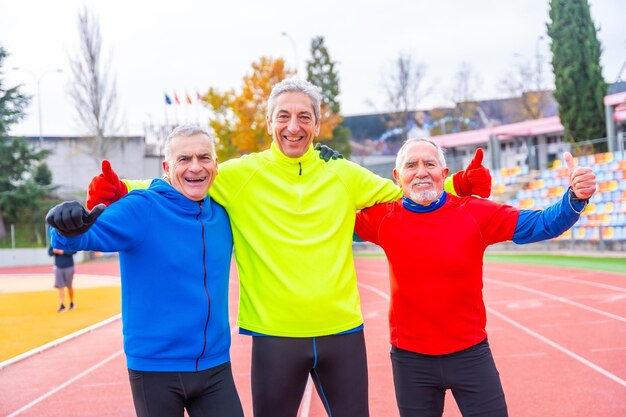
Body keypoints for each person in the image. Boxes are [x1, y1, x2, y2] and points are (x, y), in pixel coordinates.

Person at [85, 77, 492, 417]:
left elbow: (407, 194)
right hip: (274, 336)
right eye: (283, 116)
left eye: (304, 117)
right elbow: (185, 179)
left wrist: (458, 186)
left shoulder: (343, 174)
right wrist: (122, 189)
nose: (293, 126)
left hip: (341, 332)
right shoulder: (240, 174)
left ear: (317, 125)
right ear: (268, 123)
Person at [354, 137, 596, 417]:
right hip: (411, 361)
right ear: (397, 177)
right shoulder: (383, 218)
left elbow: (541, 224)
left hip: (470, 354)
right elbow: (329, 224)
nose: (421, 172)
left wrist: (575, 198)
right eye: (411, 165)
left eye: (430, 164)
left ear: (444, 174)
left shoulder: (474, 213)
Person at [46, 125, 244, 417]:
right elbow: (85, 234)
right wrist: (64, 226)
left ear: (215, 165)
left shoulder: (224, 213)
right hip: (156, 369)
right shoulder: (142, 208)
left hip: (215, 366)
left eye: (204, 158)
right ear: (166, 167)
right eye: (184, 159)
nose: (195, 167)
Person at [48, 245, 77, 312]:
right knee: (60, 287)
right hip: (58, 267)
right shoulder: (55, 241)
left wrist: (62, 251)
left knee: (69, 286)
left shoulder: (69, 240)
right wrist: (54, 251)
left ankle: (71, 302)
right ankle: (62, 304)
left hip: (69, 266)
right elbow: (50, 253)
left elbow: (74, 251)